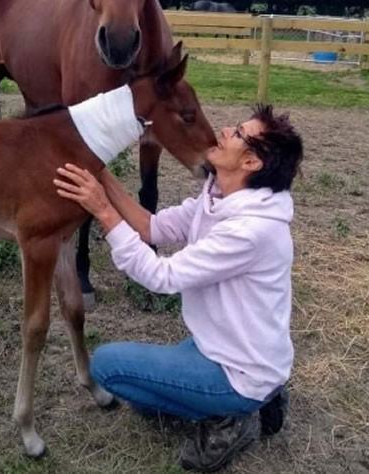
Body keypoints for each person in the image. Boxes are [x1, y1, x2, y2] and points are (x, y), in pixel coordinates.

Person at [54, 104, 303, 472]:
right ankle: (252, 400)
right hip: (223, 348)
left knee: (107, 367)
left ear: (251, 162)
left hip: (240, 370)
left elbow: (161, 277)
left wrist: (103, 212)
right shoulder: (220, 197)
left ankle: (234, 417)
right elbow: (153, 228)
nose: (223, 131)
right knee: (141, 394)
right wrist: (100, 168)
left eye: (237, 133)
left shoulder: (249, 231)